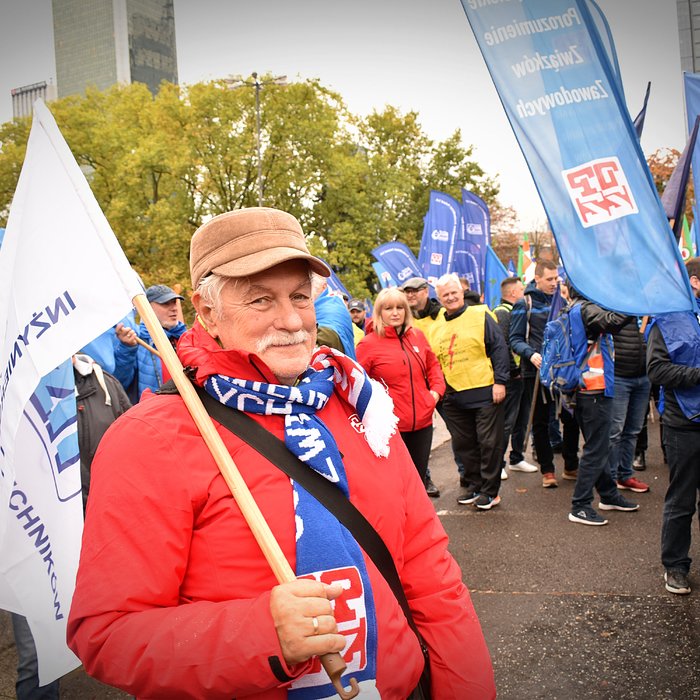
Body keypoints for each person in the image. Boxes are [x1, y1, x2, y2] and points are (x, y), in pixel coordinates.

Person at [67, 207, 496, 698]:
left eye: (298, 296)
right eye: (260, 300)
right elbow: (107, 634)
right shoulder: (150, 438)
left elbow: (429, 573)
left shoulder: (360, 404)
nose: (291, 320)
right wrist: (260, 634)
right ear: (208, 313)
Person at [10, 353, 131, 700]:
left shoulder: (102, 381)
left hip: (100, 532)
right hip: (34, 539)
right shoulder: (15, 390)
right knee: (39, 656)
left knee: (127, 635)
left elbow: (130, 445)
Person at [429, 272, 509, 510]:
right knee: (465, 445)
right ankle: (474, 487)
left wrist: (501, 381)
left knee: (488, 443)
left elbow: (499, 348)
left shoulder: (481, 313)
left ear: (462, 292)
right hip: (453, 396)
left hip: (484, 390)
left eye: (454, 292)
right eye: (446, 295)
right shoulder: (436, 325)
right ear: (440, 298)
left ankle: (490, 491)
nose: (451, 297)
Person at [646, 256, 700, 595]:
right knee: (682, 500)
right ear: (694, 281)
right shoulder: (668, 320)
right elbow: (657, 371)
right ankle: (676, 566)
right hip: (685, 423)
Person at [564, 284, 638, 526]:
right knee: (596, 449)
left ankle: (608, 495)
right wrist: (632, 298)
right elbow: (614, 321)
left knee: (599, 446)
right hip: (593, 389)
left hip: (586, 389)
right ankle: (581, 505)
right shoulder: (587, 309)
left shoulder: (575, 308)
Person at [356, 287, 445, 485]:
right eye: (388, 308)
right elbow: (357, 385)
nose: (395, 313)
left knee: (419, 480)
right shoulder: (368, 344)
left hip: (423, 422)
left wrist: (435, 394)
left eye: (400, 307)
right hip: (391, 428)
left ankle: (419, 517)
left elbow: (433, 366)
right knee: (396, 483)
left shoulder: (417, 336)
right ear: (379, 313)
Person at [509, 260, 562, 487]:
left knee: (568, 418)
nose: (554, 283)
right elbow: (515, 339)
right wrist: (531, 354)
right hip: (536, 372)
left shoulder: (563, 301)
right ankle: (547, 471)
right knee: (540, 422)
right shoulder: (524, 303)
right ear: (537, 279)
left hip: (562, 370)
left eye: (556, 278)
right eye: (549, 279)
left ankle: (571, 464)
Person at [401, 276, 444, 497]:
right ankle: (423, 479)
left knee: (453, 435)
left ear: (426, 291)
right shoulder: (400, 325)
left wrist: (435, 393)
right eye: (406, 292)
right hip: (407, 398)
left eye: (414, 291)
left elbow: (432, 361)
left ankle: (463, 473)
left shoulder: (440, 315)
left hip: (439, 388)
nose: (410, 295)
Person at [492, 276, 538, 476]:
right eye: (522, 290)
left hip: (523, 375)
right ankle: (498, 464)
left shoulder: (519, 310)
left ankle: (517, 458)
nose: (525, 293)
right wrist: (512, 371)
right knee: (506, 422)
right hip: (511, 377)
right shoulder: (502, 313)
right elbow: (502, 346)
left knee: (522, 418)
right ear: (513, 293)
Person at [113, 284, 187, 400]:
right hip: (155, 412)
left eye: (174, 302)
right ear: (147, 307)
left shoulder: (185, 337)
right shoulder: (136, 341)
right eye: (166, 303)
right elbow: (121, 383)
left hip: (188, 410)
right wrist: (127, 349)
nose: (174, 308)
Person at [608, 316, 652, 494]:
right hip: (619, 376)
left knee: (633, 430)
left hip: (643, 376)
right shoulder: (613, 305)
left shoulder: (645, 309)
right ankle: (610, 482)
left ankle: (625, 475)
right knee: (615, 431)